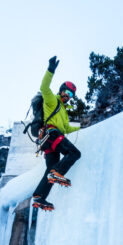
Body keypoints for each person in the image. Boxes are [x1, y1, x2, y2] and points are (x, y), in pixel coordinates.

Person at [31, 55, 82, 211]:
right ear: (61, 91)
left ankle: (39, 197)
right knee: (74, 153)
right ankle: (57, 172)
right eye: (66, 92)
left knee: (50, 168)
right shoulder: (51, 100)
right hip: (51, 134)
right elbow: (44, 87)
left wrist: (81, 127)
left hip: (48, 141)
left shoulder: (64, 113)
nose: (68, 96)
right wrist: (51, 70)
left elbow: (66, 128)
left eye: (71, 94)